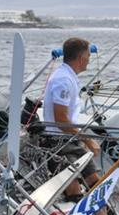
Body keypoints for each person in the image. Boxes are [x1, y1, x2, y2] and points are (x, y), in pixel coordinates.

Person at [41, 37, 102, 199]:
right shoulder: (63, 80)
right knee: (73, 188)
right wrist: (88, 140)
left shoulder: (69, 77)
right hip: (57, 142)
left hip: (70, 140)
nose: (89, 60)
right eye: (88, 56)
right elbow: (60, 120)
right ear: (81, 58)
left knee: (95, 183)